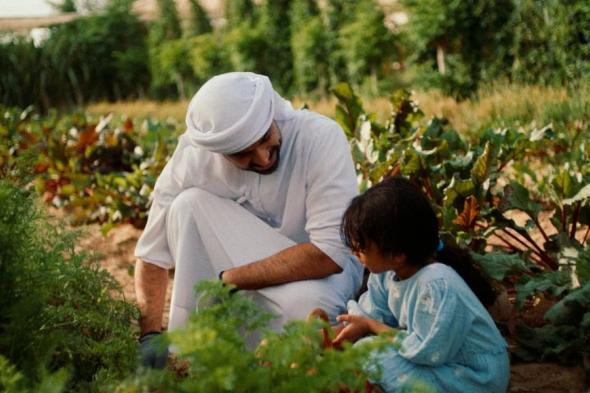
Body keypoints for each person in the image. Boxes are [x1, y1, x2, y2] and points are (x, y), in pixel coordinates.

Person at [134, 72, 364, 367]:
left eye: (266, 138)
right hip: (249, 276)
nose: (263, 157)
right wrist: (149, 334)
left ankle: (248, 351)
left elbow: (329, 255)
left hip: (324, 279)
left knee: (310, 311)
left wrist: (229, 281)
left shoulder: (320, 137)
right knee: (186, 206)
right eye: (243, 154)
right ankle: (191, 350)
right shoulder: (193, 158)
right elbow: (151, 253)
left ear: (271, 116)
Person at [333, 176, 509, 393]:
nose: (354, 253)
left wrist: (371, 327)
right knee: (365, 350)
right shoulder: (386, 273)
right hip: (440, 363)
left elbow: (428, 351)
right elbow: (371, 313)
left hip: (475, 377)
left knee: (374, 356)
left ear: (397, 253)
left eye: (361, 248)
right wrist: (340, 332)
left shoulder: (436, 283)